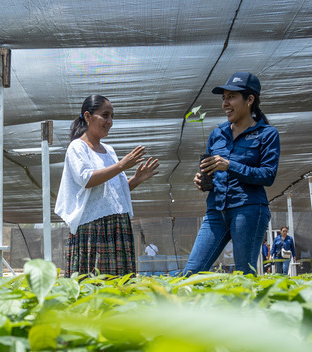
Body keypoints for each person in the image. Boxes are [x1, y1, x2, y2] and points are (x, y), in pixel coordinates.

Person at [182, 72, 280, 276]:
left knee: (245, 274)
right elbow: (210, 169)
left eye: (231, 97)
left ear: (250, 100)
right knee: (191, 272)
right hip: (216, 210)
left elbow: (268, 175)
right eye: (224, 98)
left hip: (249, 210)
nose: (225, 103)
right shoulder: (217, 134)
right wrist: (201, 180)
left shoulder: (267, 134)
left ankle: (251, 308)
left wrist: (230, 166)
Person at [55, 95, 160, 276]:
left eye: (112, 116)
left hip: (117, 225)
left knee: (120, 282)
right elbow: (87, 180)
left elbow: (113, 192)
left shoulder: (109, 150)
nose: (110, 122)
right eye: (105, 115)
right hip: (93, 227)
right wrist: (121, 165)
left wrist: (136, 180)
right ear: (87, 116)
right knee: (93, 281)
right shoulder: (77, 147)